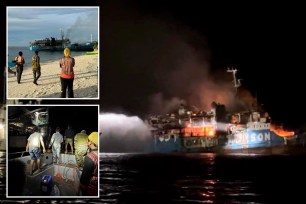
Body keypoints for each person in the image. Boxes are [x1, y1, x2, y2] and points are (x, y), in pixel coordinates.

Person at [79, 132, 98, 196]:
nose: (87, 142)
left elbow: (84, 180)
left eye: (88, 140)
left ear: (91, 142)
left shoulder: (90, 157)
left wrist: (81, 187)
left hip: (91, 191)